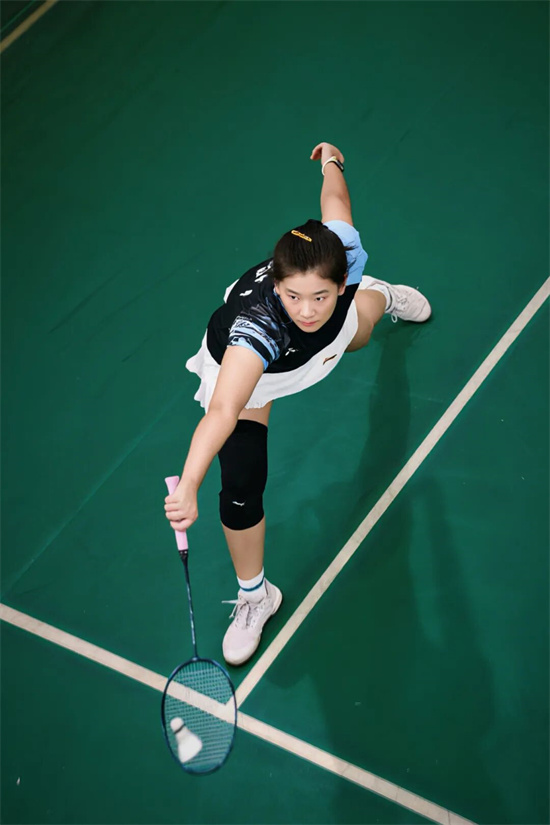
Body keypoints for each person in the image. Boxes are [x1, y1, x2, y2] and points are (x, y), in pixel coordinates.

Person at [164, 141, 431, 666]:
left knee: (359, 332)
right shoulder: (257, 329)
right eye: (293, 296)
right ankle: (254, 596)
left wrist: (332, 160)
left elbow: (336, 203)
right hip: (257, 373)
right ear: (278, 284)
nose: (306, 310)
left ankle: (381, 294)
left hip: (326, 339)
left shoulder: (341, 253)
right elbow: (222, 411)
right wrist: (190, 482)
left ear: (341, 278)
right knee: (240, 482)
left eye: (319, 296)